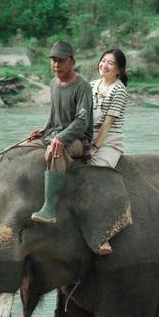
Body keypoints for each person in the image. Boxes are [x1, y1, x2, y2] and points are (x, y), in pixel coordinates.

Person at [29, 41, 93, 224]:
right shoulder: (53, 83)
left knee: (55, 152)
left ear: (72, 61)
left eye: (61, 60)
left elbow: (82, 122)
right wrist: (43, 131)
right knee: (25, 146)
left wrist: (62, 138)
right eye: (53, 60)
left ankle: (49, 208)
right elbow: (53, 115)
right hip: (54, 133)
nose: (56, 65)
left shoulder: (82, 86)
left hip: (78, 139)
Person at [89, 48, 129, 255]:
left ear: (119, 70)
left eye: (110, 63)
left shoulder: (119, 90)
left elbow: (108, 123)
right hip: (88, 137)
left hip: (109, 142)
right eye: (103, 61)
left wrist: (95, 147)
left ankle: (103, 234)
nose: (104, 65)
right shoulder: (92, 86)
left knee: (96, 176)